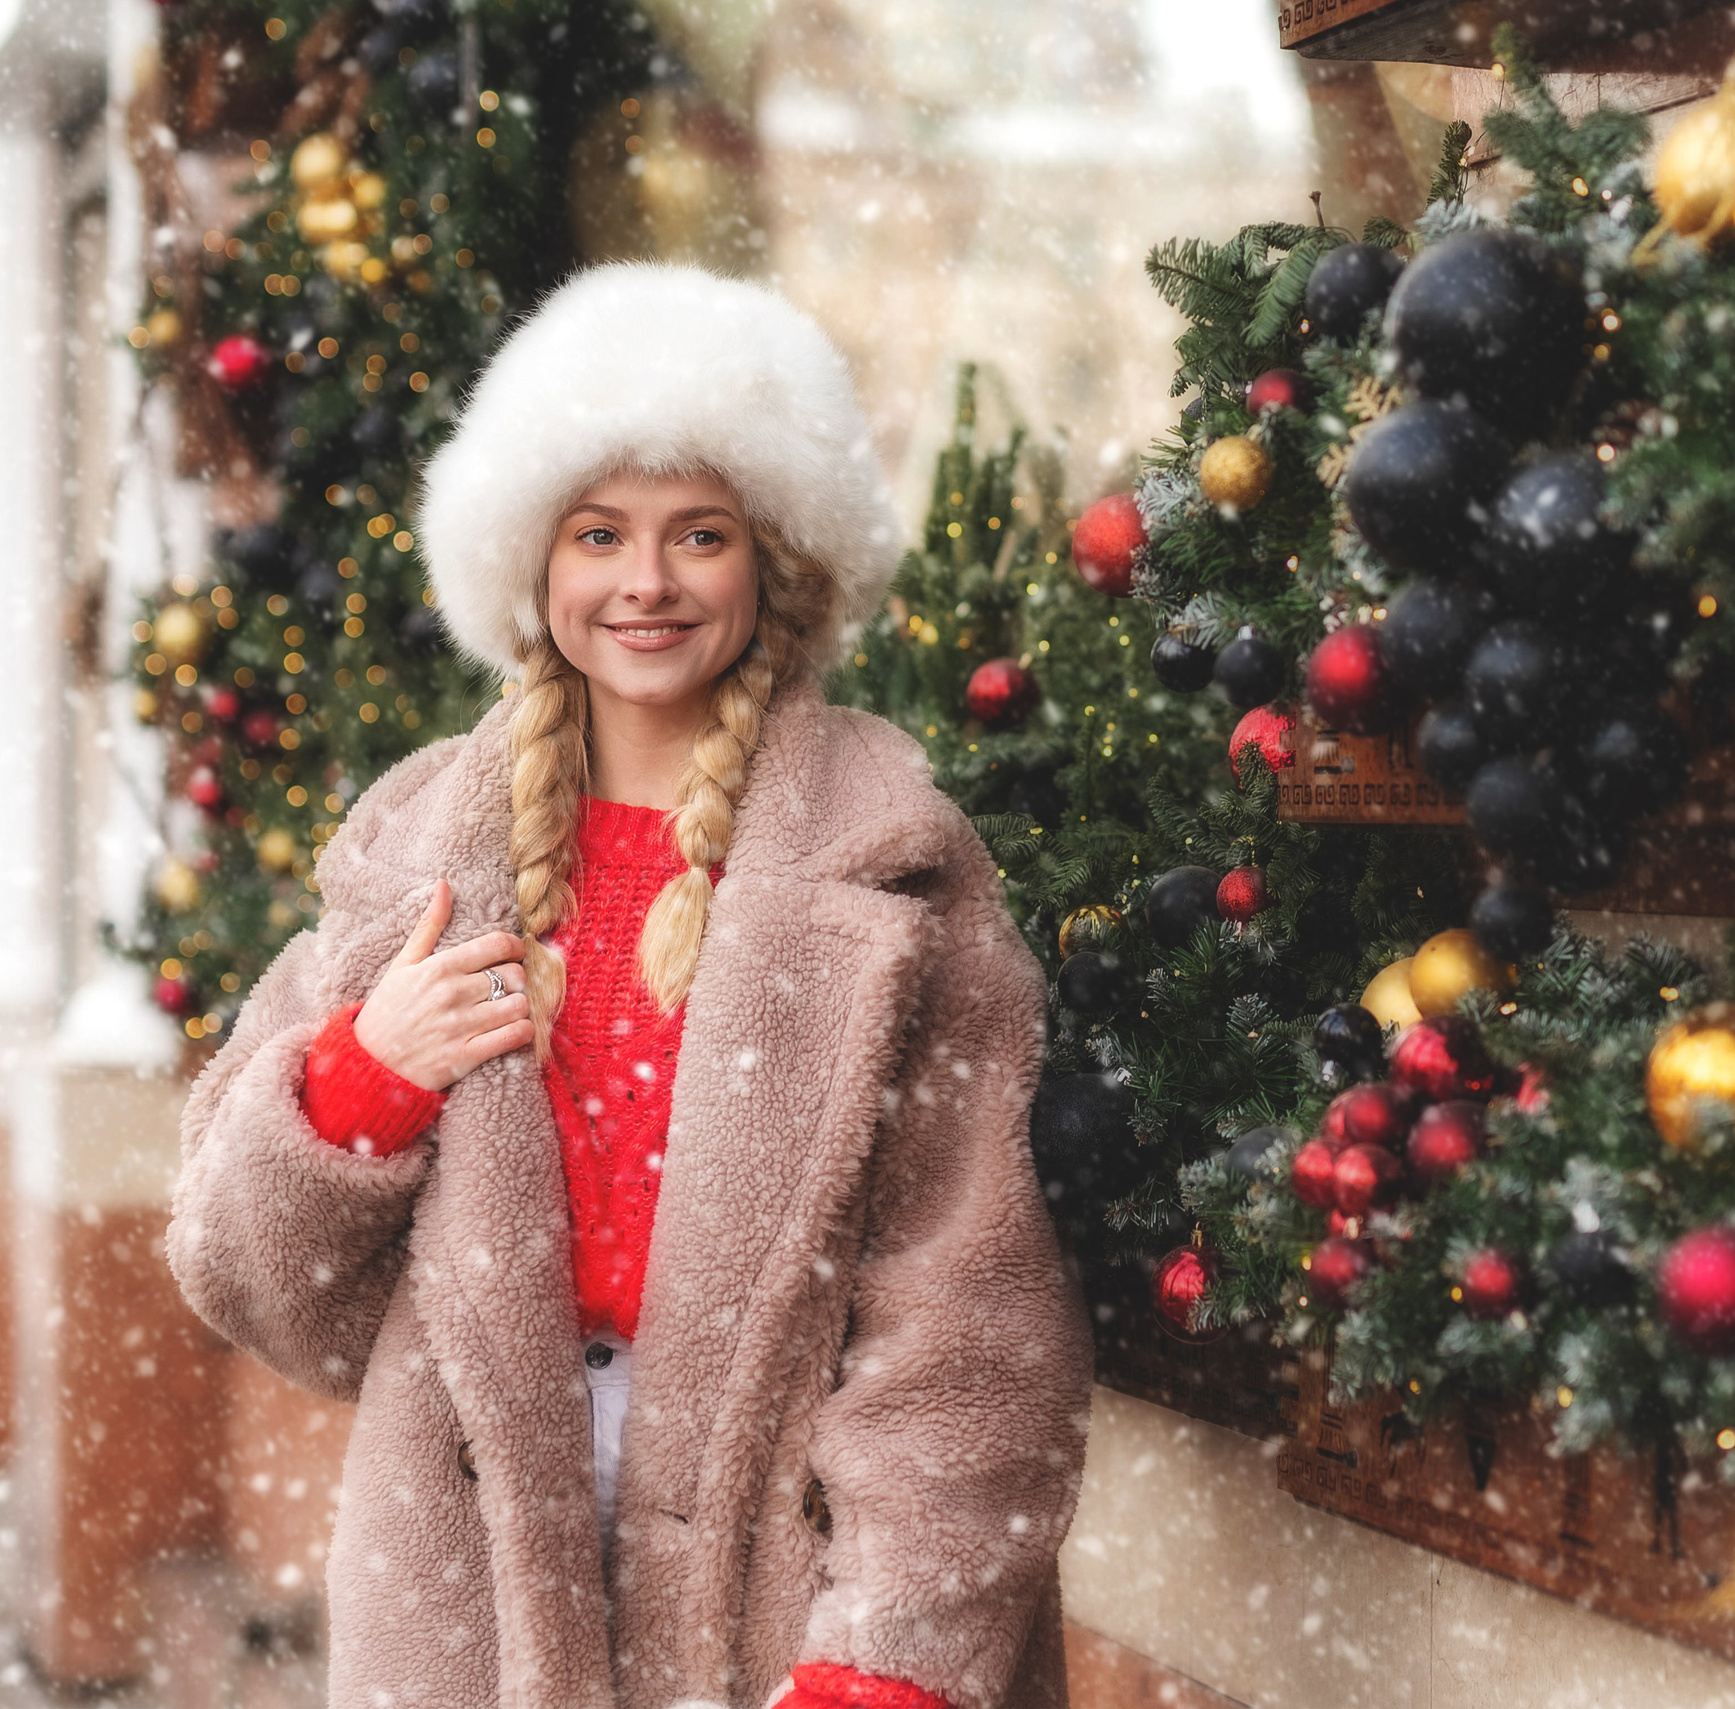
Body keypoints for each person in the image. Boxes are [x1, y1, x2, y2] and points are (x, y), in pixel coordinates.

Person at [168, 261, 1093, 1709]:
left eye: (698, 534)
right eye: (599, 532)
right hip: (460, 1579)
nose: (645, 582)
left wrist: (887, 1653)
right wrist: (365, 1075)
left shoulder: (891, 861)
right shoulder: (419, 846)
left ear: (774, 562)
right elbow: (245, 1269)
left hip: (792, 1564)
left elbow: (972, 1309)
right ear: (534, 566)